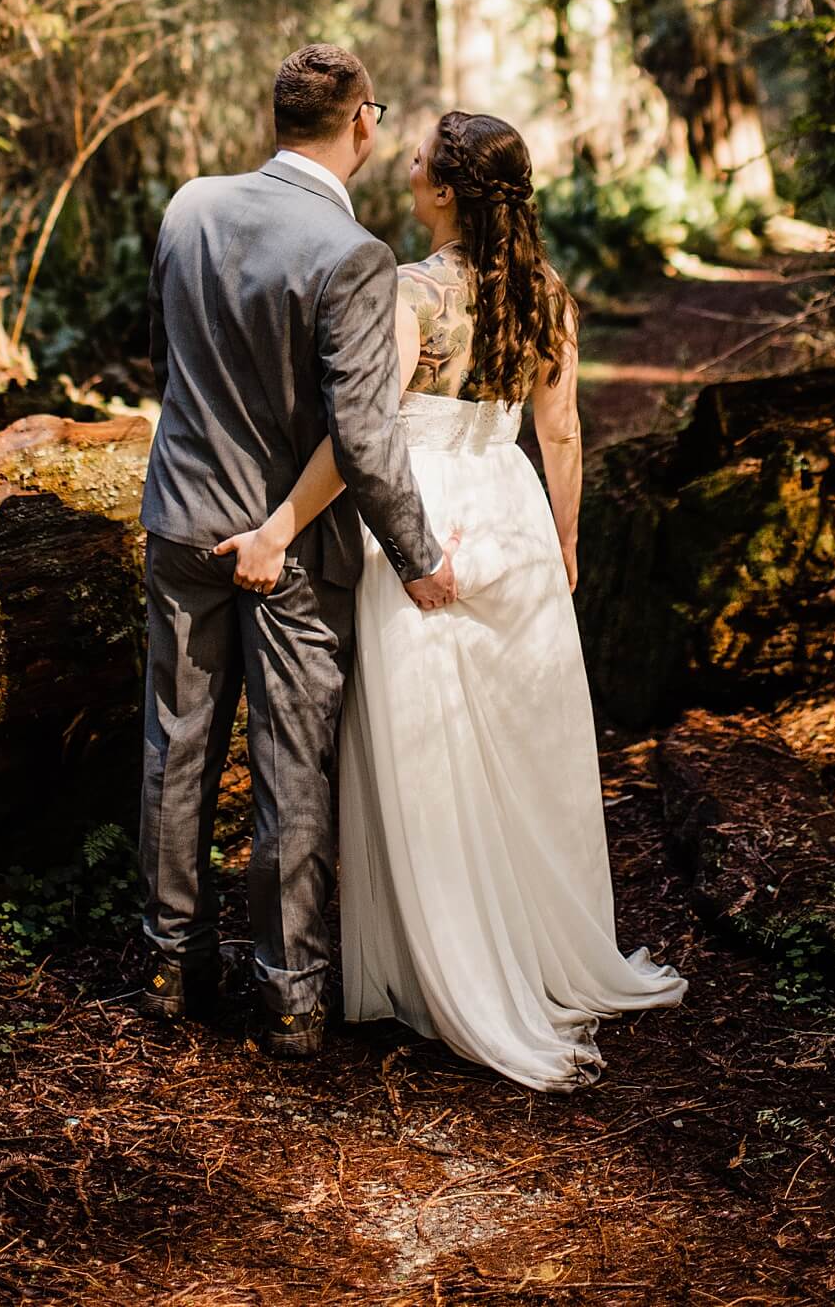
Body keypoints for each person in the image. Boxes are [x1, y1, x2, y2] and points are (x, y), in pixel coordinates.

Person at [221, 109, 687, 1089]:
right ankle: (530, 952)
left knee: (428, 752)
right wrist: (563, 542)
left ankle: (453, 972)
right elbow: (559, 434)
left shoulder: (414, 290)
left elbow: (367, 442)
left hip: (425, 524)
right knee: (517, 751)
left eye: (424, 154)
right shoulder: (546, 294)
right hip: (509, 513)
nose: (410, 160)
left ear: (444, 190)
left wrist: (276, 528)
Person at [138, 44, 458, 1059]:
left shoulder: (188, 207)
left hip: (184, 521)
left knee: (175, 746)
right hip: (286, 549)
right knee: (290, 768)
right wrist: (417, 554)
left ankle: (167, 962)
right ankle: (289, 994)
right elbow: (364, 436)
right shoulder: (351, 253)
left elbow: (169, 363)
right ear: (362, 122)